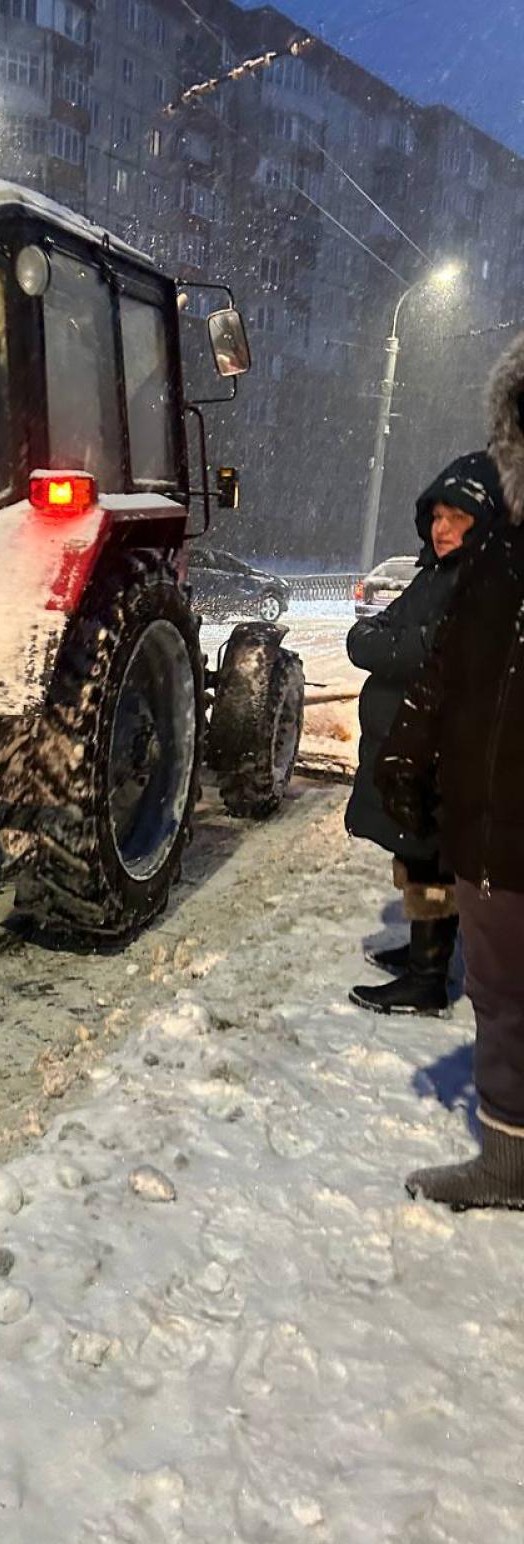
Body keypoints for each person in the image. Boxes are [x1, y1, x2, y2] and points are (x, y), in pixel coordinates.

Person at [377, 329, 524, 1209]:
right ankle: (510, 1156)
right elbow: (444, 669)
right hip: (488, 819)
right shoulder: (497, 554)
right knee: (503, 992)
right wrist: (407, 749)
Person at [346, 455, 502, 1016]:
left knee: (431, 857)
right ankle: (424, 953)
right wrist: (386, 643)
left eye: (454, 517)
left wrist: (388, 645)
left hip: (445, 751)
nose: (441, 529)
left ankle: (428, 976)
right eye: (435, 516)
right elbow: (370, 635)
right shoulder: (438, 575)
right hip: (416, 747)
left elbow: (422, 647)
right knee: (420, 855)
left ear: (483, 521)